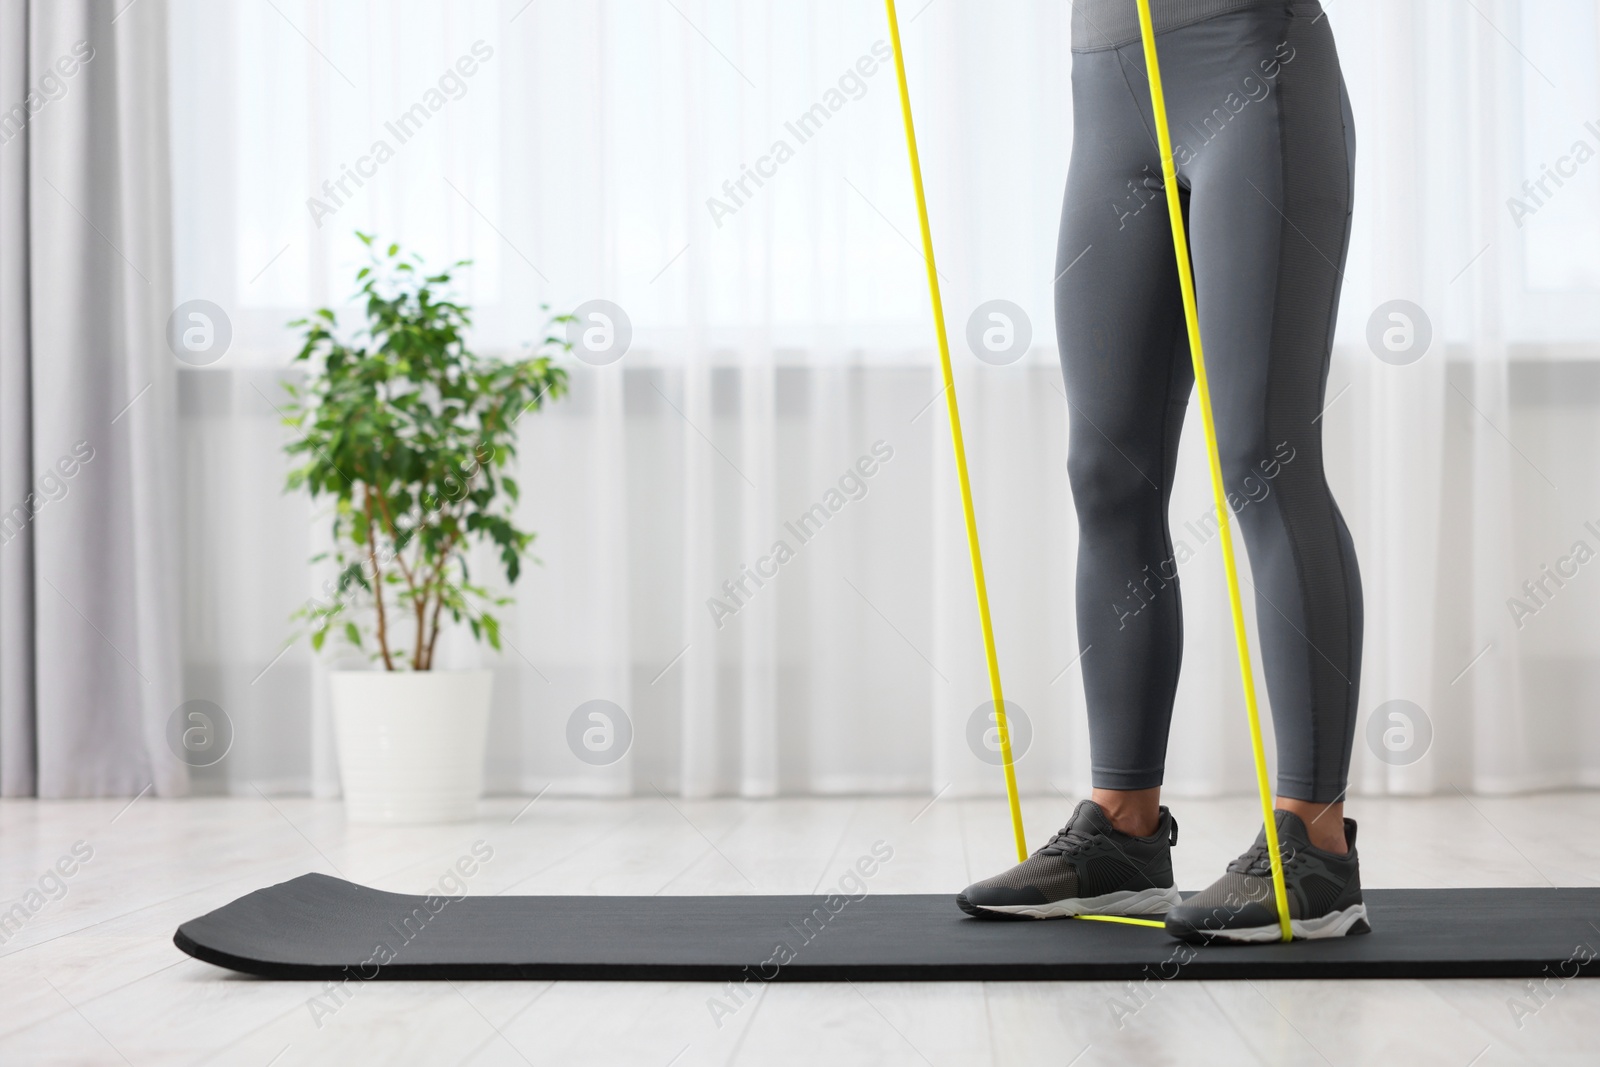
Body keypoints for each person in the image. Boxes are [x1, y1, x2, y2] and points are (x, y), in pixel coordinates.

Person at [958, 0, 1367, 942]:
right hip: (1108, 91)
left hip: (1249, 59)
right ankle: (1125, 835)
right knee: (1106, 472)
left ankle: (1318, 846)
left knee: (1262, 458)